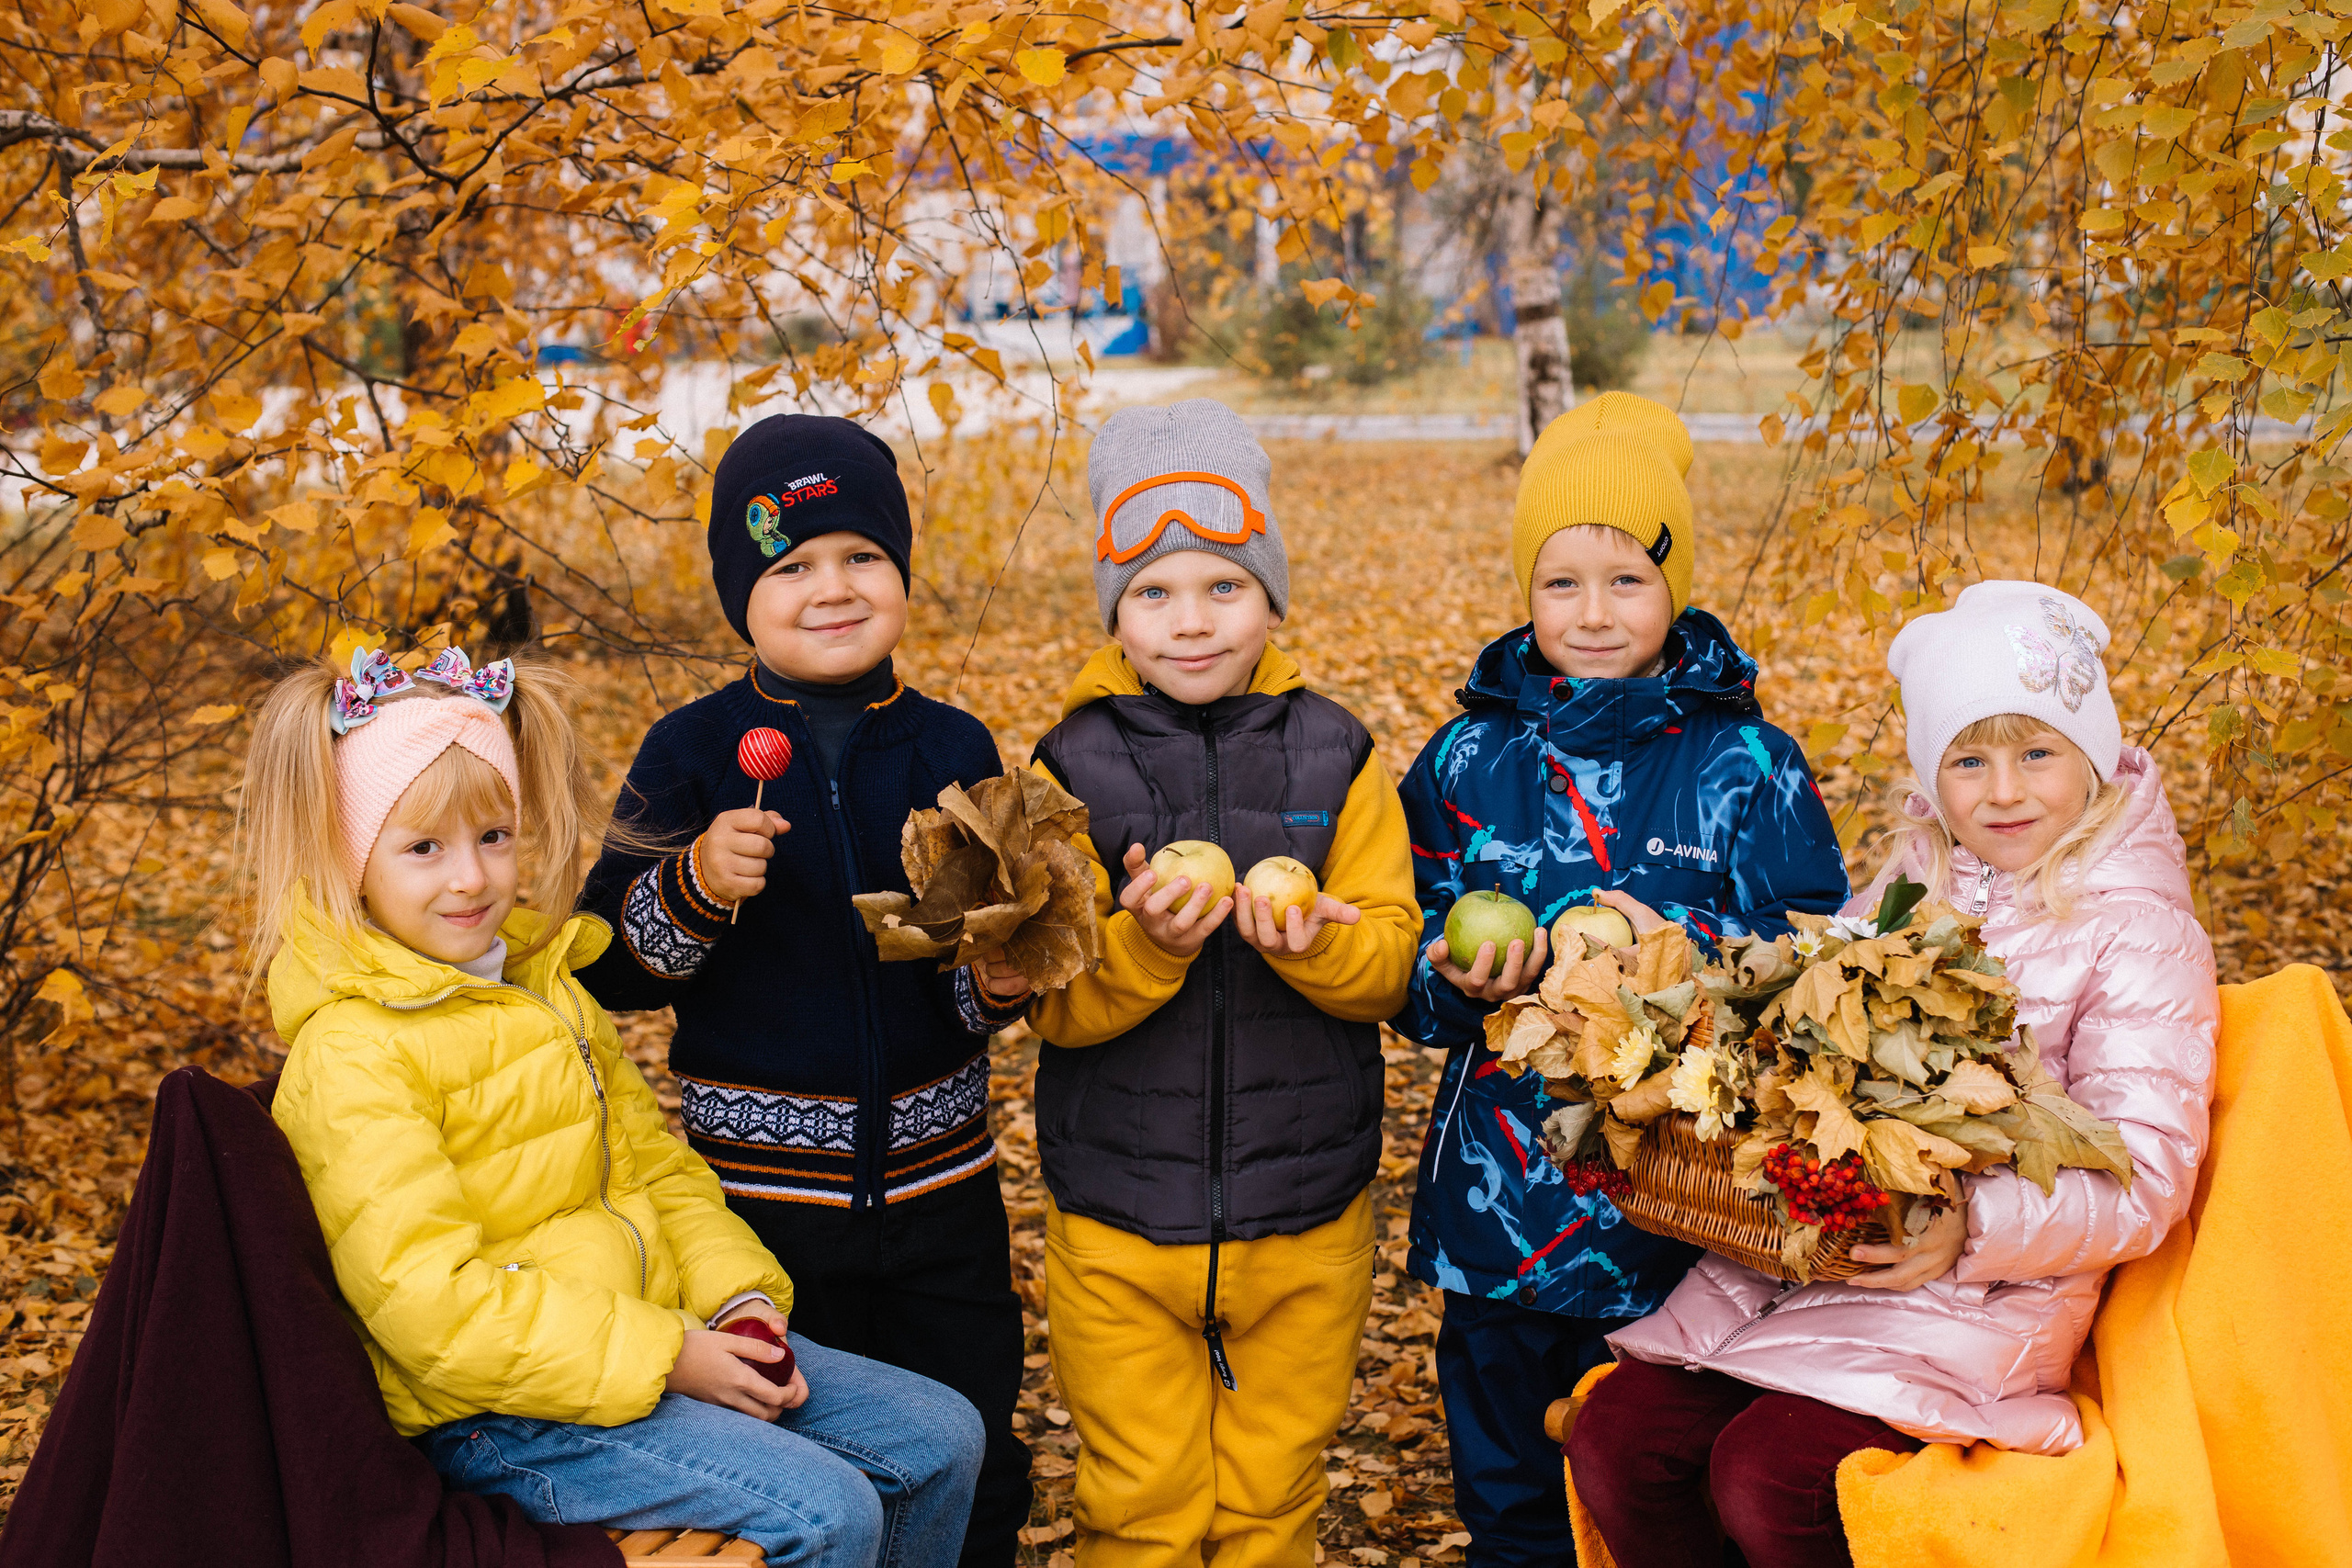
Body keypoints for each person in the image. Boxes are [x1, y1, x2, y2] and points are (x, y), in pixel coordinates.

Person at [244, 644, 983, 1565]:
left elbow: (657, 1171)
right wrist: (664, 1356)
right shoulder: (356, 1051)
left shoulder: (544, 987)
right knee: (824, 1510)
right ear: (353, 861)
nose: (470, 877)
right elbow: (429, 1309)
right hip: (500, 1414)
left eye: (494, 837)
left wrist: (738, 1301)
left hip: (643, 1344)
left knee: (939, 1436)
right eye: (423, 848)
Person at [1574, 580, 2220, 1568]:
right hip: (1802, 1268)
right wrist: (1687, 980)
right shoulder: (1903, 894)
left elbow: (2145, 1169)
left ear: (2089, 757)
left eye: (2036, 752)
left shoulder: (2137, 933)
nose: (2002, 791)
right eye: (1969, 758)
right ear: (1932, 775)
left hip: (1974, 1305)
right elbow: (1791, 1010)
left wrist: (1977, 1225)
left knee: (1776, 1477)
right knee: (1619, 1441)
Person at [1390, 392, 1849, 1565]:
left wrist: (1677, 955)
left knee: (1642, 1503)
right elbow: (1407, 978)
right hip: (1502, 1216)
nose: (1593, 613)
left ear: (1676, 586)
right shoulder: (1466, 758)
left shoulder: (1747, 763)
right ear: (1523, 591)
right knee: (1512, 1513)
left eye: (1626, 580)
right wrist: (1457, 978)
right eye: (1560, 583)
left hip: (1682, 1231)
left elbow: (1813, 962)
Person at [573, 414, 1033, 1568]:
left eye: (861, 557)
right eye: (791, 565)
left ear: (902, 573)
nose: (832, 588)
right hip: (753, 1214)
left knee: (970, 1443)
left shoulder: (949, 748)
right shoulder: (694, 751)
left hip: (943, 1197)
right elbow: (614, 968)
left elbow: (971, 964)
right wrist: (695, 885)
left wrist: (999, 982)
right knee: (805, 1467)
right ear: (743, 594)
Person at [1024, 399, 1419, 1566]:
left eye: (1222, 587)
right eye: (1151, 592)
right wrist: (1149, 946)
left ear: (1271, 595)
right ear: (1112, 605)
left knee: (1271, 1499)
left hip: (1306, 1213)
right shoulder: (1067, 767)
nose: (1189, 623)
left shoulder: (1340, 755)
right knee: (1138, 1504)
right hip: (1116, 1218)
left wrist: (1315, 949)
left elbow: (1389, 961)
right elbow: (1052, 1003)